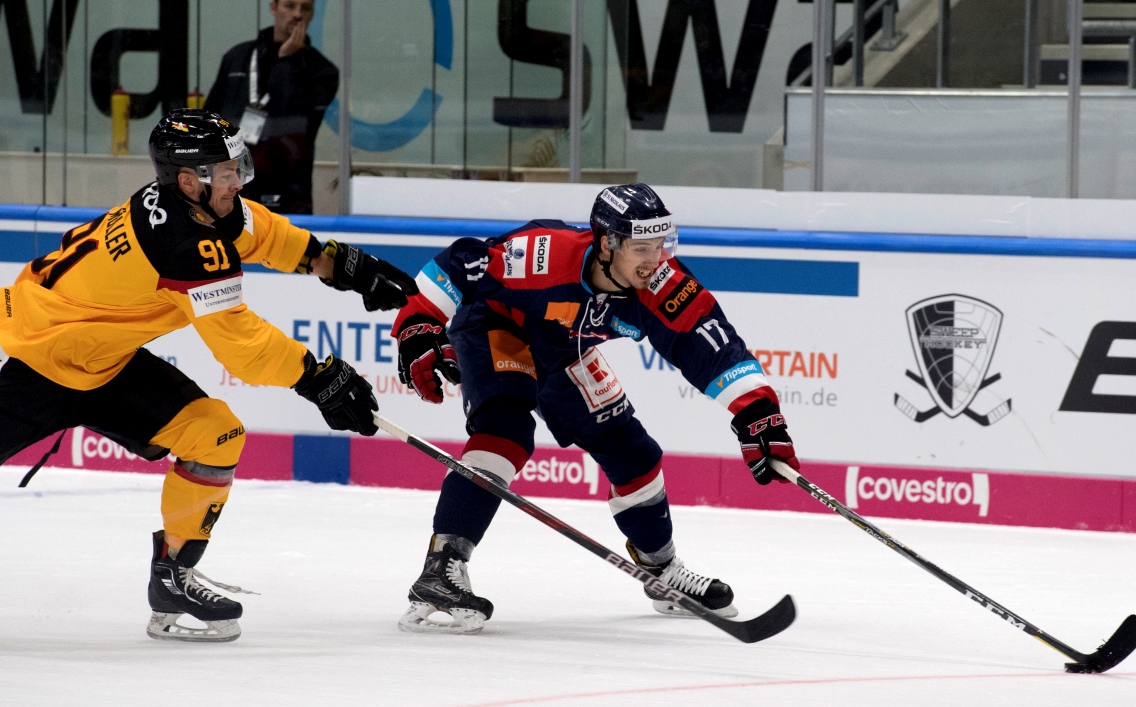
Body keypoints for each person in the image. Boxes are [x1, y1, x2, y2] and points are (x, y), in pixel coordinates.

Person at [0, 108, 416, 643]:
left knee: (215, 434)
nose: (238, 181)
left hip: (108, 361)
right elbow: (242, 346)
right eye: (227, 172)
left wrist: (335, 262)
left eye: (238, 167)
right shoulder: (183, 242)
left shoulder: (204, 209)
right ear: (188, 180)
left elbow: (262, 232)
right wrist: (318, 377)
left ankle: (172, 578)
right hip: (43, 358)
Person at [389, 183, 801, 634]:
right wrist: (418, 324)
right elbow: (458, 263)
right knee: (506, 428)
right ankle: (441, 568)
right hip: (497, 324)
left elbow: (712, 345)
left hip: (563, 346)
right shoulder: (543, 255)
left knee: (632, 451)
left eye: (661, 245)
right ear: (607, 244)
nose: (655, 259)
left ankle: (662, 571)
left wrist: (757, 413)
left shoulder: (661, 282)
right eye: (641, 248)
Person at [204, 0, 337, 214]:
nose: (297, 14)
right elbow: (209, 119)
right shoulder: (237, 57)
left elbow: (289, 123)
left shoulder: (322, 71)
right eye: (290, 6)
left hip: (287, 187)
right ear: (273, 8)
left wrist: (286, 62)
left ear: (312, 14)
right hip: (230, 181)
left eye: (305, 8)